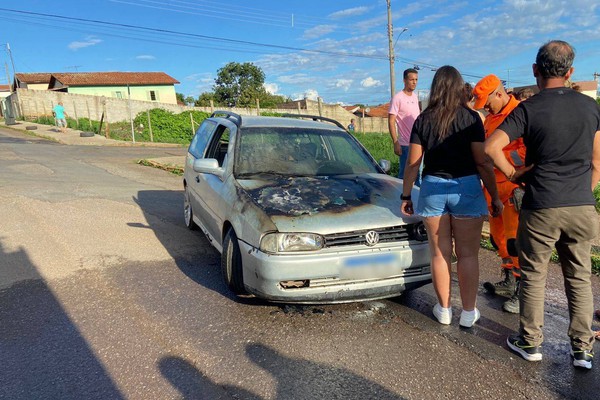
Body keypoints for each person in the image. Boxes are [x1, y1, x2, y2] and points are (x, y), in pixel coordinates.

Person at [485, 40, 600, 369]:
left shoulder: (528, 108)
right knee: (579, 276)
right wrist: (583, 190)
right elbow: (597, 160)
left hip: (541, 205)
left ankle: (530, 342)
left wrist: (514, 173)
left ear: (536, 70)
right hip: (580, 205)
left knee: (534, 275)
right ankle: (582, 349)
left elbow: (493, 146)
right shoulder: (590, 107)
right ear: (571, 72)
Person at [401, 65, 502, 328]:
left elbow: (413, 163)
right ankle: (468, 313)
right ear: (459, 88)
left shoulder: (423, 120)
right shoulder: (471, 119)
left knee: (439, 254)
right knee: (468, 255)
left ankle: (444, 309)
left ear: (435, 88)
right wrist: (495, 195)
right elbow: (482, 162)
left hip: (433, 188)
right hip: (467, 187)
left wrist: (406, 195)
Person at [472, 74, 526, 314]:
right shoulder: (491, 118)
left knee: (516, 242)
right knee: (498, 237)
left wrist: (499, 159)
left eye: (486, 100)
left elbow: (526, 153)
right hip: (493, 187)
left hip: (513, 187)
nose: (484, 106)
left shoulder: (520, 114)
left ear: (498, 93)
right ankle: (509, 278)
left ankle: (524, 291)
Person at [389, 68, 420, 184]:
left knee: (417, 176)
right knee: (404, 175)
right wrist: (395, 142)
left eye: (416, 79)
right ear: (404, 80)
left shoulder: (415, 97)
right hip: (405, 145)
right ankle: (402, 199)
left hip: (418, 143)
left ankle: (415, 201)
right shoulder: (398, 98)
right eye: (411, 79)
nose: (414, 82)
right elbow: (391, 120)